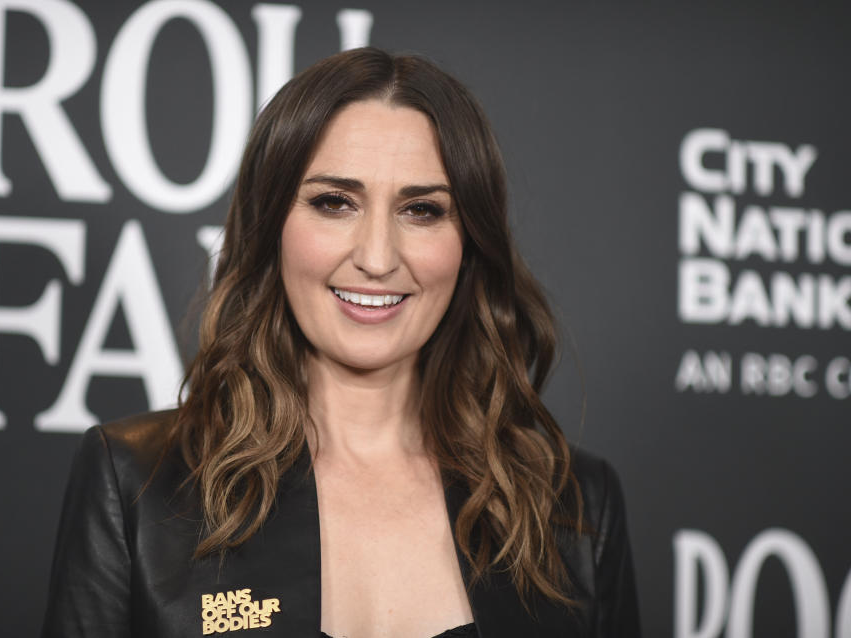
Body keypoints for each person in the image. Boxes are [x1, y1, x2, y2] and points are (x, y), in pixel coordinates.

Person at [42, 47, 640, 638]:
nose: (377, 258)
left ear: (470, 245)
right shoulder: (137, 486)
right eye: (335, 203)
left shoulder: (575, 512)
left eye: (423, 210)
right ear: (270, 224)